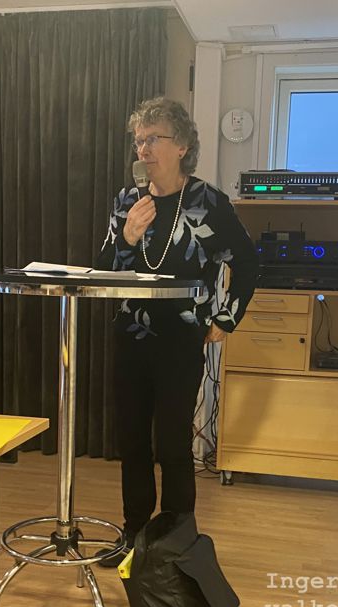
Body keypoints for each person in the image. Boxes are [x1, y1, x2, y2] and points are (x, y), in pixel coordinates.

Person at [96, 97, 258, 566]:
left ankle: (175, 540)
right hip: (131, 337)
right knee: (131, 441)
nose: (143, 149)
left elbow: (248, 264)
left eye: (153, 139)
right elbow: (102, 271)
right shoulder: (128, 201)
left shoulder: (209, 203)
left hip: (181, 342)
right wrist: (127, 236)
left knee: (171, 443)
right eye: (138, 141)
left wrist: (225, 318)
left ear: (182, 145)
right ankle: (134, 534)